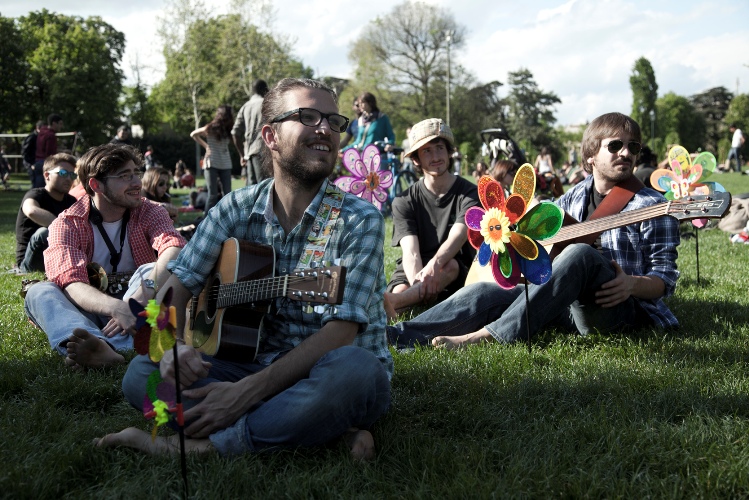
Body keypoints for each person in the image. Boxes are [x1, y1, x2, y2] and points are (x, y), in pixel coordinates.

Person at [97, 78, 392, 461]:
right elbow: (179, 285)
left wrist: (243, 394)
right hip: (248, 362)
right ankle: (313, 430)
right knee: (142, 374)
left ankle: (206, 448)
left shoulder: (360, 220)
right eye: (308, 116)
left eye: (334, 121)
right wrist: (177, 348)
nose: (325, 128)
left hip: (326, 370)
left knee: (358, 371)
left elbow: (342, 332)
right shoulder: (234, 208)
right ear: (269, 136)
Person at [387, 112, 680, 350]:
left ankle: (490, 336)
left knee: (581, 253)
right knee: (482, 293)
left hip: (617, 310)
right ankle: (394, 336)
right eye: (616, 146)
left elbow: (664, 279)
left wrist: (631, 284)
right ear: (591, 155)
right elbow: (543, 244)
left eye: (634, 147)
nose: (626, 153)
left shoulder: (652, 205)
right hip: (563, 306)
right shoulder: (571, 198)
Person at [23, 144, 186, 369]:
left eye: (136, 174)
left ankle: (102, 348)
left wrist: (135, 301)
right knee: (39, 292)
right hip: (92, 310)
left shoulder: (150, 211)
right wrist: (116, 309)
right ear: (95, 184)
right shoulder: (67, 223)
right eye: (124, 176)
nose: (137, 183)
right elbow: (71, 283)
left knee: (153, 270)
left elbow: (174, 248)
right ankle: (94, 343)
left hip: (142, 305)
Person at [383, 118, 480, 321]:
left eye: (439, 148)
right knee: (401, 290)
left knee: (450, 265)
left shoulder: (470, 192)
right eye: (426, 151)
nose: (436, 156)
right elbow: (411, 252)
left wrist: (432, 268)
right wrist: (420, 284)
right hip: (415, 269)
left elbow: (459, 236)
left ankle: (391, 303)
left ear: (449, 152)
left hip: (451, 268)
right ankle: (399, 301)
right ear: (416, 159)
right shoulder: (403, 200)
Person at [11, 153, 78, 274]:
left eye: (72, 174)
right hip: (29, 262)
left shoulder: (71, 201)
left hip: (57, 256)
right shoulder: (35, 194)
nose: (68, 178)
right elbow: (31, 210)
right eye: (63, 173)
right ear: (47, 175)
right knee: (44, 233)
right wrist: (61, 226)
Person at [191, 105, 234, 213]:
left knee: (227, 194)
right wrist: (206, 146)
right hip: (212, 162)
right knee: (213, 194)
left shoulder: (228, 130)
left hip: (225, 163)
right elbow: (193, 134)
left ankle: (228, 218)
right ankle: (207, 221)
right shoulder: (210, 128)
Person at [232, 79, 269, 186]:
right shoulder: (266, 104)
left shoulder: (245, 107)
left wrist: (242, 155)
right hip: (263, 150)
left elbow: (234, 133)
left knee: (251, 190)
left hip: (249, 153)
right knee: (264, 188)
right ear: (265, 90)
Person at [33, 114, 64, 188]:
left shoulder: (41, 132)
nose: (61, 126)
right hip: (45, 163)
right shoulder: (51, 135)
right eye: (60, 124)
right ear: (54, 123)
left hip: (37, 162)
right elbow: (50, 153)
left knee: (36, 188)